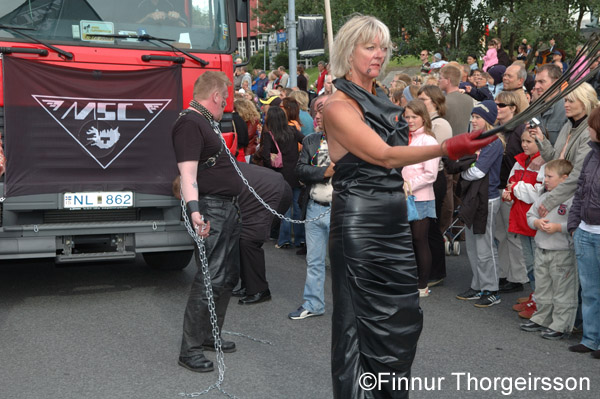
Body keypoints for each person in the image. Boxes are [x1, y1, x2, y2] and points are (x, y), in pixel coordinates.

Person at [322, 15, 498, 398]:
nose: (379, 54)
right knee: (354, 327)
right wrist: (447, 146)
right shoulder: (336, 106)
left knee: (401, 322)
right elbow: (384, 156)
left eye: (383, 47)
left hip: (393, 219)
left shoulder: (383, 97)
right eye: (370, 46)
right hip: (359, 226)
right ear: (348, 50)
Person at [172, 71, 242, 373]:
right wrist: (195, 210)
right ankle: (189, 350)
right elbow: (187, 175)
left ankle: (208, 335)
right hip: (212, 207)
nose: (225, 104)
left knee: (226, 277)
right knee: (209, 279)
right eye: (224, 98)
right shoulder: (190, 123)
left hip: (226, 207)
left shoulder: (203, 122)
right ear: (215, 96)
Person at [451, 101, 504, 308]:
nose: (473, 120)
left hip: (487, 199)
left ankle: (492, 289)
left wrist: (461, 172)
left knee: (485, 247)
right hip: (472, 198)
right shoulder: (475, 139)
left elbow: (478, 171)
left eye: (478, 117)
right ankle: (478, 284)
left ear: (489, 121)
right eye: (472, 117)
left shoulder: (493, 142)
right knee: (472, 247)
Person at [522, 160, 577, 340]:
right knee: (543, 288)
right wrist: (536, 222)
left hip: (562, 252)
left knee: (563, 291)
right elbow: (531, 215)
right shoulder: (544, 196)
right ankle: (541, 318)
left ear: (565, 179)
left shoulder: (572, 199)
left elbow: (574, 223)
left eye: (549, 176)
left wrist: (558, 227)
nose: (545, 180)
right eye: (544, 176)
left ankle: (561, 325)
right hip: (542, 250)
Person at [289, 94, 333, 320]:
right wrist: (324, 173)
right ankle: (313, 304)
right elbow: (300, 170)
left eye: (322, 110)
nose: (316, 115)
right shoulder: (310, 141)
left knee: (347, 262)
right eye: (315, 110)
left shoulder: (349, 141)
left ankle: (354, 308)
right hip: (315, 207)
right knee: (314, 261)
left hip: (341, 210)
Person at [567, 107, 600, 358]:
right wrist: (574, 225)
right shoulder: (591, 154)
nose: (588, 129)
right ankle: (591, 339)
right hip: (585, 231)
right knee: (589, 290)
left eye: (591, 125)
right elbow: (580, 191)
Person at [234, 162, 292, 305]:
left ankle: (259, 290)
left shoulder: (210, 178)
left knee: (249, 241)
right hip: (268, 190)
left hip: (274, 192)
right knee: (243, 240)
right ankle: (248, 285)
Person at [402, 100, 441, 297]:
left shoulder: (429, 141)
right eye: (407, 117)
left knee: (419, 240)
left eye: (413, 117)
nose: (409, 120)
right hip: (403, 197)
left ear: (423, 117)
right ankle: (410, 280)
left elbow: (431, 175)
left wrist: (408, 185)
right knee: (406, 240)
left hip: (421, 197)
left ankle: (422, 284)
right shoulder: (403, 138)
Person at [502, 130, 545, 295]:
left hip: (535, 222)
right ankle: (534, 298)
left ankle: (539, 302)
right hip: (521, 219)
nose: (524, 145)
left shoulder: (544, 164)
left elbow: (537, 194)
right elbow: (510, 183)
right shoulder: (519, 161)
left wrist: (514, 188)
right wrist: (509, 194)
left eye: (529, 141)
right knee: (529, 264)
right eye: (523, 141)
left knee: (538, 266)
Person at [417, 85, 451, 285]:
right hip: (421, 177)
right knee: (422, 228)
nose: (420, 102)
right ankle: (426, 270)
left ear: (435, 103)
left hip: (434, 176)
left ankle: (436, 272)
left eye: (424, 99)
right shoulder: (427, 123)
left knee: (431, 227)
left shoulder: (440, 125)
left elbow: (436, 154)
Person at [257, 107, 305, 249]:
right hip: (295, 173)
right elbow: (306, 141)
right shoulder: (293, 131)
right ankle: (299, 238)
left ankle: (284, 240)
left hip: (280, 174)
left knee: (284, 208)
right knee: (297, 207)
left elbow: (265, 155)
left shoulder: (269, 134)